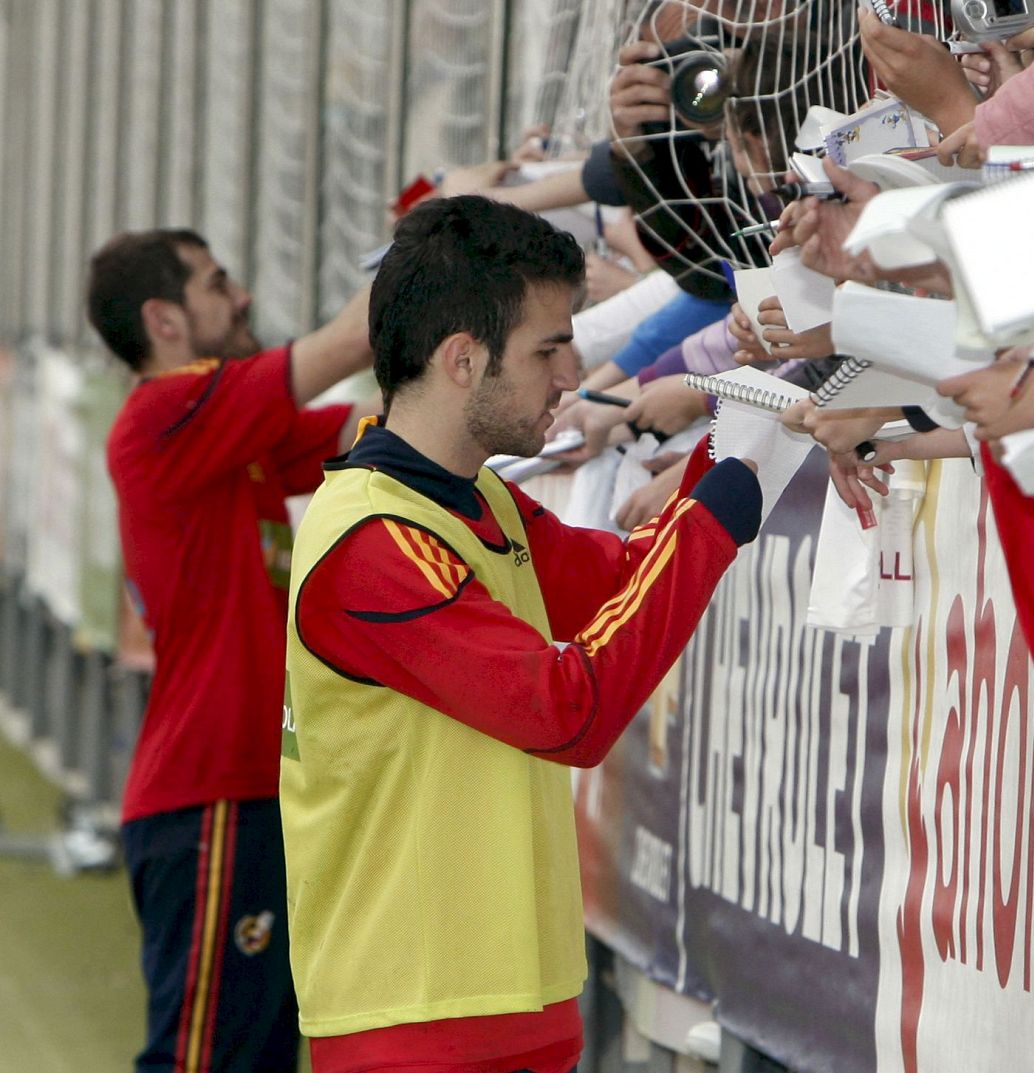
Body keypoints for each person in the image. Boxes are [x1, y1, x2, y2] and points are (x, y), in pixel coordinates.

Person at [279, 195, 760, 1073]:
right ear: (464, 360)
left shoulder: (478, 498)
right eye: (549, 347)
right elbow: (565, 710)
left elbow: (622, 582)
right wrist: (711, 521)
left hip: (515, 1002)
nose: (572, 372)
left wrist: (737, 439)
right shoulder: (373, 541)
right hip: (416, 1020)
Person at [90, 228, 373, 1071]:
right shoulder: (162, 413)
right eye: (219, 283)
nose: (242, 296)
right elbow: (349, 343)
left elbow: (383, 432)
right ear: (163, 320)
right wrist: (448, 224)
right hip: (209, 796)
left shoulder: (225, 434)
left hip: (248, 794)